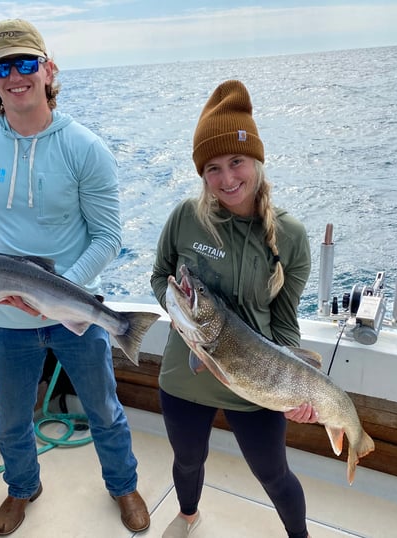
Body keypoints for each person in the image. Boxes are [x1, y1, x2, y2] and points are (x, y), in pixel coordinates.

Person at [0, 19, 149, 536]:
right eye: (3, 66)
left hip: (70, 308)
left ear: (48, 69)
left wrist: (57, 293)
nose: (15, 75)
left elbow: (107, 236)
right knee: (12, 420)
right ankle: (22, 488)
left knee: (105, 410)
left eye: (25, 63)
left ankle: (123, 485)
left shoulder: (86, 148)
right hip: (1, 316)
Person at [150, 80, 316, 538]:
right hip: (185, 375)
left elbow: (284, 323)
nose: (226, 180)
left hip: (257, 382)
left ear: (257, 160)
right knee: (187, 459)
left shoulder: (292, 236)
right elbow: (158, 276)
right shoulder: (186, 216)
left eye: (237, 161)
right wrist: (181, 316)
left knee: (274, 475)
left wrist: (292, 387)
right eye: (213, 168)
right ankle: (188, 516)